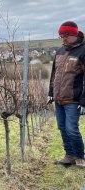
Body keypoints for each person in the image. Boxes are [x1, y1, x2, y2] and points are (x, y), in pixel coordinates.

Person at [47, 21, 85, 168]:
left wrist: (84, 101)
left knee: (72, 129)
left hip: (73, 99)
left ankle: (80, 157)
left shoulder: (83, 51)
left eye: (66, 35)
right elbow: (54, 74)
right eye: (61, 36)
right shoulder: (59, 51)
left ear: (74, 34)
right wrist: (51, 93)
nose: (63, 38)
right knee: (62, 128)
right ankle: (69, 155)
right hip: (58, 98)